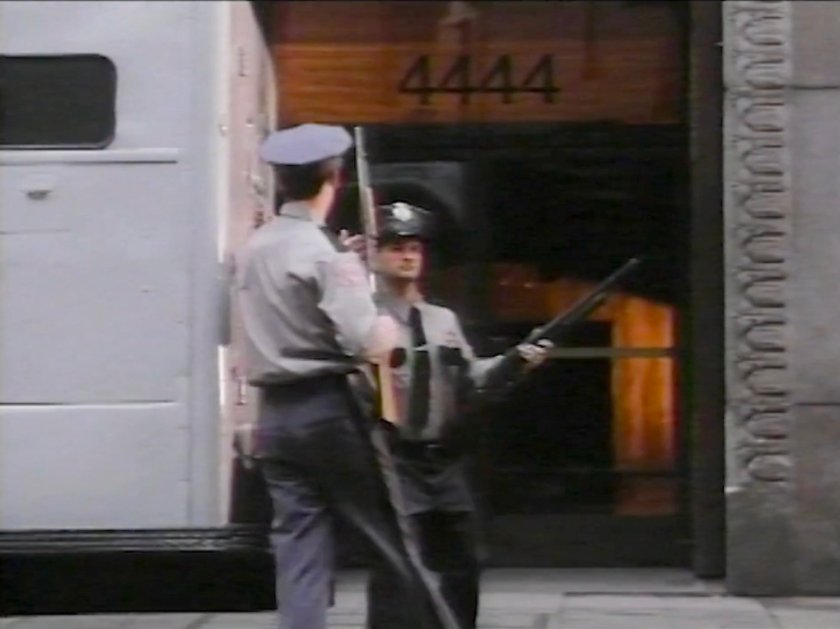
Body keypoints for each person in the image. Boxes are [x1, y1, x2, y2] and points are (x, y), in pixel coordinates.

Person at [235, 124, 458, 629]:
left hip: (276, 415)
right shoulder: (327, 254)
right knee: (391, 539)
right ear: (334, 176)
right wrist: (375, 307)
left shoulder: (255, 248)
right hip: (330, 408)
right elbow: (373, 342)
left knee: (299, 544)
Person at [363, 202, 551, 629]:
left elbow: (471, 379)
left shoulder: (442, 320)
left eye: (414, 247)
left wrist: (514, 362)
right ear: (376, 255)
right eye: (395, 247)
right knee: (398, 566)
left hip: (442, 459)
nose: (407, 255)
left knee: (464, 560)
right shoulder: (366, 317)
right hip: (394, 457)